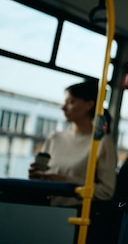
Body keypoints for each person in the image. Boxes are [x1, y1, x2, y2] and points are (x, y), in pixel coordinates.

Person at [28, 79, 117, 208]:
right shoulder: (54, 138)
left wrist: (67, 182)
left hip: (74, 213)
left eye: (71, 102)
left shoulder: (101, 142)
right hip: (42, 206)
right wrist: (36, 177)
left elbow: (106, 192)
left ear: (89, 105)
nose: (63, 107)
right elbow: (43, 177)